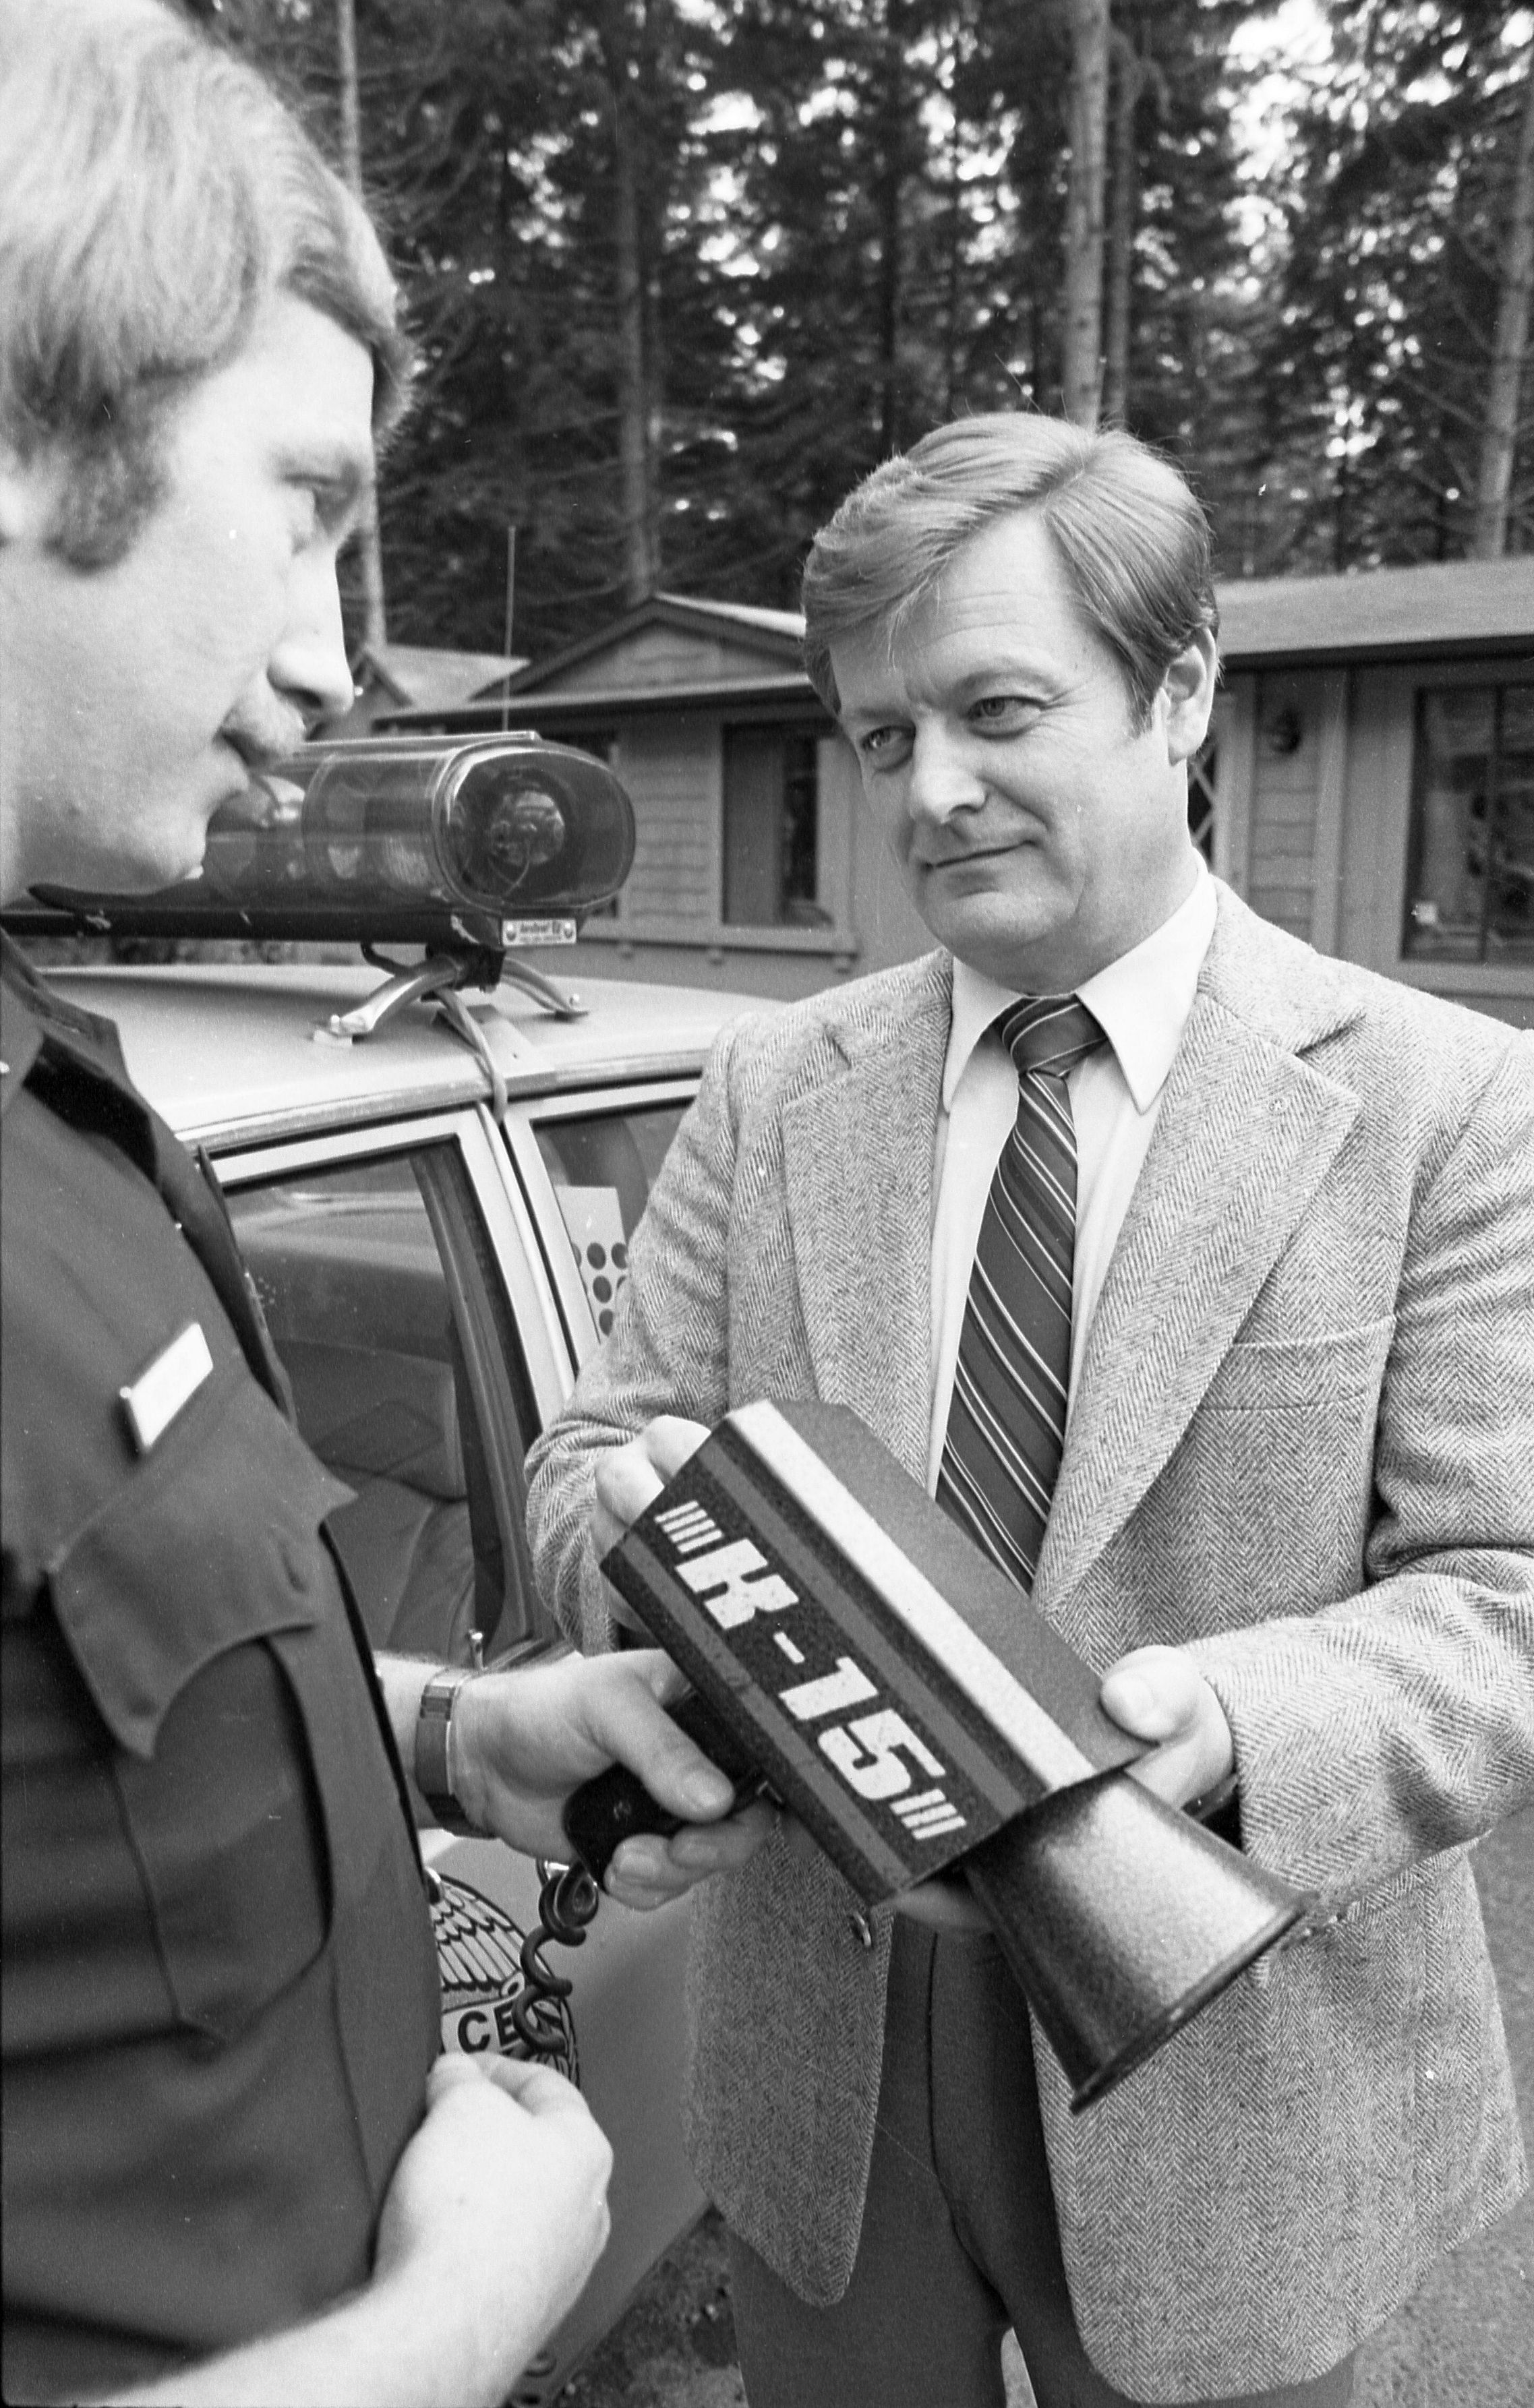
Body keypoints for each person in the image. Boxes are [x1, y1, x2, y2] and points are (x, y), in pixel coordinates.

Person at [527, 411, 1534, 2408]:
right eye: (881, 738)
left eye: (996, 710)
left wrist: (1224, 1730)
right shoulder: (771, 1090)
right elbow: (587, 1457)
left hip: (1239, 2063)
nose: (932, 789)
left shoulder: (1442, 1105)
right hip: (830, 2050)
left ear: (1181, 690)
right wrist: (653, 1548)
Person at [0, 6, 771, 2403]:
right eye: (308, 504)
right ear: (22, 437)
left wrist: (455, 1734)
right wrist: (456, 2322)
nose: (339, 658)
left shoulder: (56, 1102)